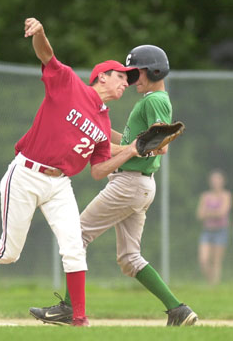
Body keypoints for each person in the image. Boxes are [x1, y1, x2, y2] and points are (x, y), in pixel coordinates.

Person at [0, 17, 142, 327]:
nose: (125, 83)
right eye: (121, 76)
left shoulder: (104, 125)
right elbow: (46, 55)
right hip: (25, 174)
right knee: (9, 252)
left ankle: (79, 319)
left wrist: (130, 150)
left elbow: (99, 170)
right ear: (101, 77)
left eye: (128, 79)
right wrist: (40, 33)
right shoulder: (69, 83)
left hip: (60, 184)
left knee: (74, 246)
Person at [30, 45, 198, 326]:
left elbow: (159, 145)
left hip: (129, 183)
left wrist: (140, 147)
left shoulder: (152, 100)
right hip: (140, 185)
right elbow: (135, 141)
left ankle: (70, 308)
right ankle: (178, 310)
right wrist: (99, 128)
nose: (133, 78)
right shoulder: (153, 99)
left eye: (138, 72)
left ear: (155, 69)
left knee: (76, 234)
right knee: (130, 258)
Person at [197, 169, 231, 285]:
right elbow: (200, 214)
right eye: (213, 180)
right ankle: (210, 281)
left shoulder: (226, 195)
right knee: (203, 260)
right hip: (207, 231)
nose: (215, 182)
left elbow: (222, 212)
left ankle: (213, 286)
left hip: (221, 231)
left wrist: (208, 212)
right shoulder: (205, 196)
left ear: (223, 181)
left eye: (218, 180)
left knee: (216, 261)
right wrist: (214, 212)